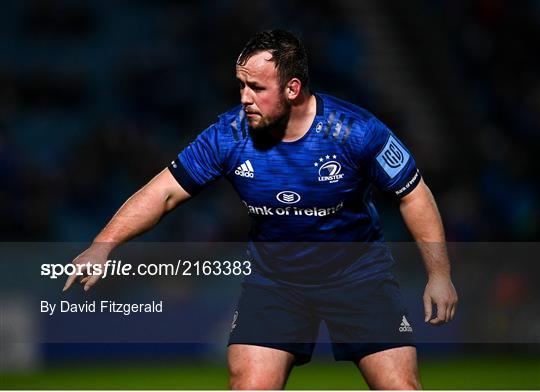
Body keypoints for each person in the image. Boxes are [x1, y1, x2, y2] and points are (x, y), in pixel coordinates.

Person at [64, 29, 458, 390]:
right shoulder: (228, 136)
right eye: (240, 85)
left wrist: (439, 275)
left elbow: (414, 194)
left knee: (399, 388)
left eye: (256, 87)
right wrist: (103, 245)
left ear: (293, 88)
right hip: (276, 283)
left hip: (359, 276)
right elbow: (164, 192)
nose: (244, 98)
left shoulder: (356, 131)